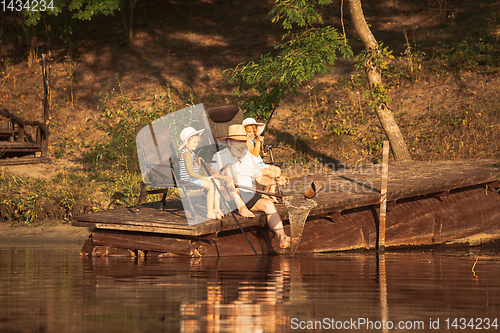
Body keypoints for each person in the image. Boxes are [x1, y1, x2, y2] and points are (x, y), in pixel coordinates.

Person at [210, 124, 291, 249]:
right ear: (229, 142)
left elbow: (260, 179)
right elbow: (213, 173)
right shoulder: (220, 156)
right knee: (229, 167)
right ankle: (240, 206)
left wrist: (275, 180)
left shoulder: (248, 158)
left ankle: (282, 236)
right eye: (239, 142)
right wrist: (224, 177)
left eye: (244, 141)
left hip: (248, 194)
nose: (242, 145)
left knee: (269, 204)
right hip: (227, 195)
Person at [178, 127, 223, 220]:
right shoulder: (186, 154)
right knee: (211, 186)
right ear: (186, 142)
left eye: (197, 142)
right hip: (188, 179)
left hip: (194, 177)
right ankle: (210, 213)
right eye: (194, 142)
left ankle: (216, 208)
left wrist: (198, 161)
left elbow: (196, 169)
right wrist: (205, 178)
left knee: (217, 182)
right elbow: (190, 172)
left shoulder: (192, 153)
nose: (196, 144)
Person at [242, 118, 282, 201]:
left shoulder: (254, 140)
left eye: (254, 131)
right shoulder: (246, 141)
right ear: (244, 132)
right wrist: (257, 142)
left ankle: (268, 192)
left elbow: (262, 154)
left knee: (277, 170)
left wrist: (262, 146)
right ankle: (268, 194)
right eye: (249, 132)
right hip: (252, 167)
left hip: (260, 164)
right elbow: (254, 153)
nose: (252, 134)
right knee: (272, 174)